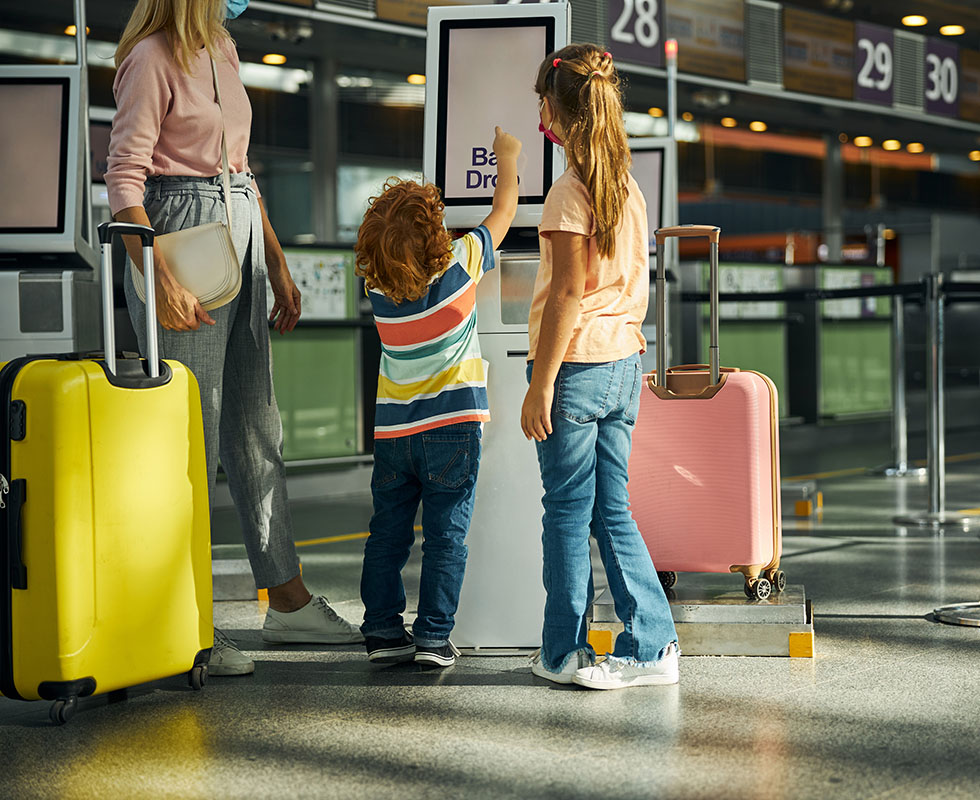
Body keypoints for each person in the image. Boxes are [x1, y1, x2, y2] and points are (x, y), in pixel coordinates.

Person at [105, 0, 362, 677]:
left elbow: (239, 169)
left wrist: (277, 262)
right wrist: (156, 276)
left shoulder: (220, 45)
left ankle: (286, 596)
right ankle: (181, 617)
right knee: (189, 440)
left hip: (239, 232)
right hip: (179, 240)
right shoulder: (152, 57)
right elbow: (123, 180)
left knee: (257, 430)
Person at [521, 45, 679, 690]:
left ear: (557, 110)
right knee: (611, 511)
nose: (538, 110)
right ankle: (654, 644)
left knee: (565, 511)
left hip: (579, 367)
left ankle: (563, 651)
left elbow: (566, 293)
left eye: (541, 99)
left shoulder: (569, 193)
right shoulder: (626, 188)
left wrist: (540, 384)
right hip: (623, 365)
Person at [354, 127, 521, 668]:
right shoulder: (459, 267)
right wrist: (508, 157)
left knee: (387, 535)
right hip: (452, 428)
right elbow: (505, 209)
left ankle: (381, 630)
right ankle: (431, 637)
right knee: (446, 536)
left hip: (393, 435)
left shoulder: (377, 290)